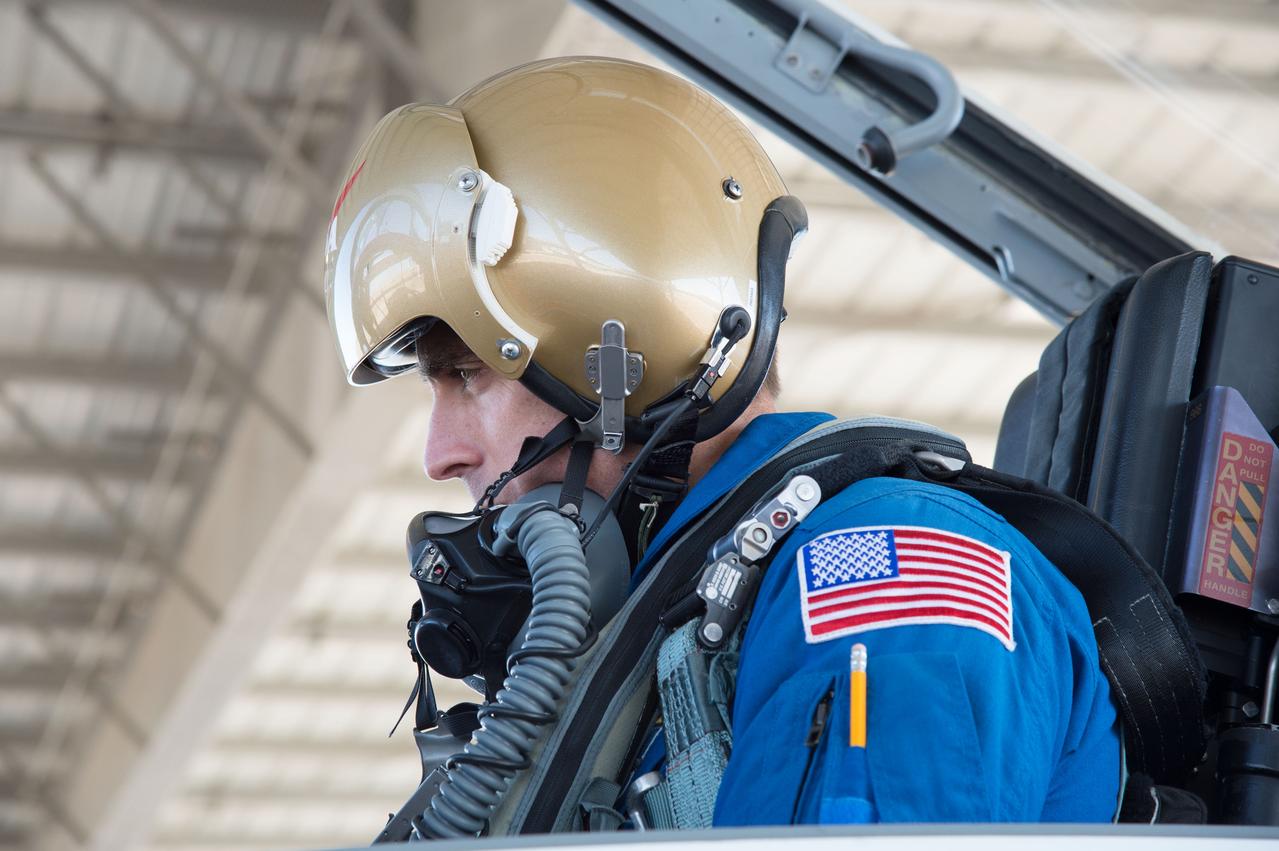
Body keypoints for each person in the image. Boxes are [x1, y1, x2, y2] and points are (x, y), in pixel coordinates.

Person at [324, 55, 1120, 826]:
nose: (440, 453)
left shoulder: (882, 567)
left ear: (614, 344)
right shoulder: (671, 638)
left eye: (466, 375)